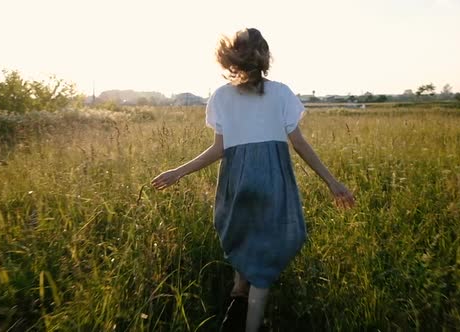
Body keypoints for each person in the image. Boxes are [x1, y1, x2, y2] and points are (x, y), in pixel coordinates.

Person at [151, 28, 355, 332]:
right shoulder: (282, 92)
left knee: (245, 239)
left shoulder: (220, 97)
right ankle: (251, 325)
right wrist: (332, 182)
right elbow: (299, 144)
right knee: (264, 255)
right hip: (273, 182)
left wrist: (177, 171)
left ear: (231, 58)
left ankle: (236, 300)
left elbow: (219, 149)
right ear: (265, 57)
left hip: (238, 182)